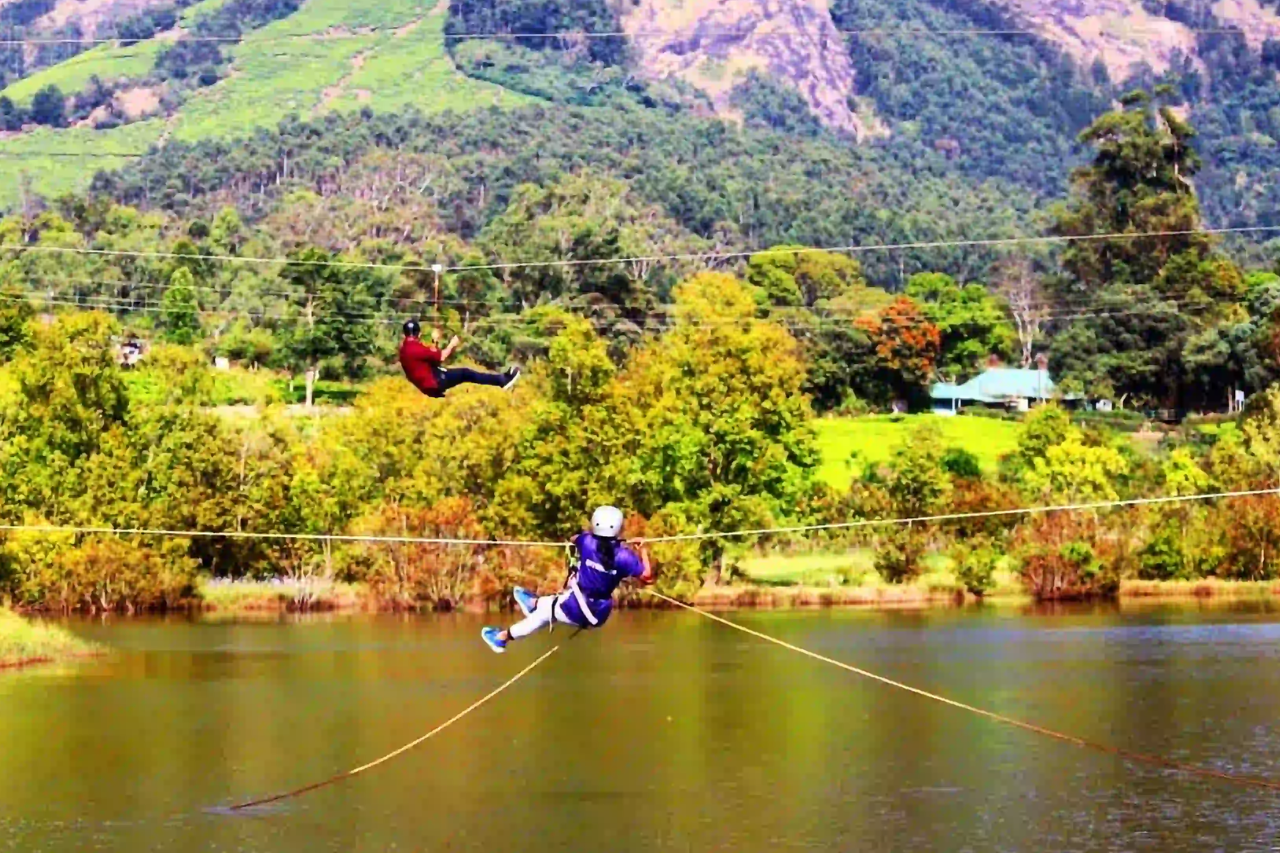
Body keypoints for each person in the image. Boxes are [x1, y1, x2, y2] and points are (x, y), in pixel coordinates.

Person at [481, 506, 654, 653]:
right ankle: (533, 604)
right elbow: (647, 577)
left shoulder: (587, 541)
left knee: (542, 616)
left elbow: (573, 539)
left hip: (577, 607)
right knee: (552, 606)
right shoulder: (625, 557)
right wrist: (643, 549)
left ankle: (501, 637)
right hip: (599, 613)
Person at [399, 320, 520, 398]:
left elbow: (431, 358)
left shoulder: (405, 349)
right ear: (418, 334)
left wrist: (434, 342)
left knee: (462, 374)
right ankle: (502, 380)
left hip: (429, 384)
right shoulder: (416, 349)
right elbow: (441, 357)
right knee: (465, 373)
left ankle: (501, 379)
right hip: (435, 382)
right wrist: (453, 343)